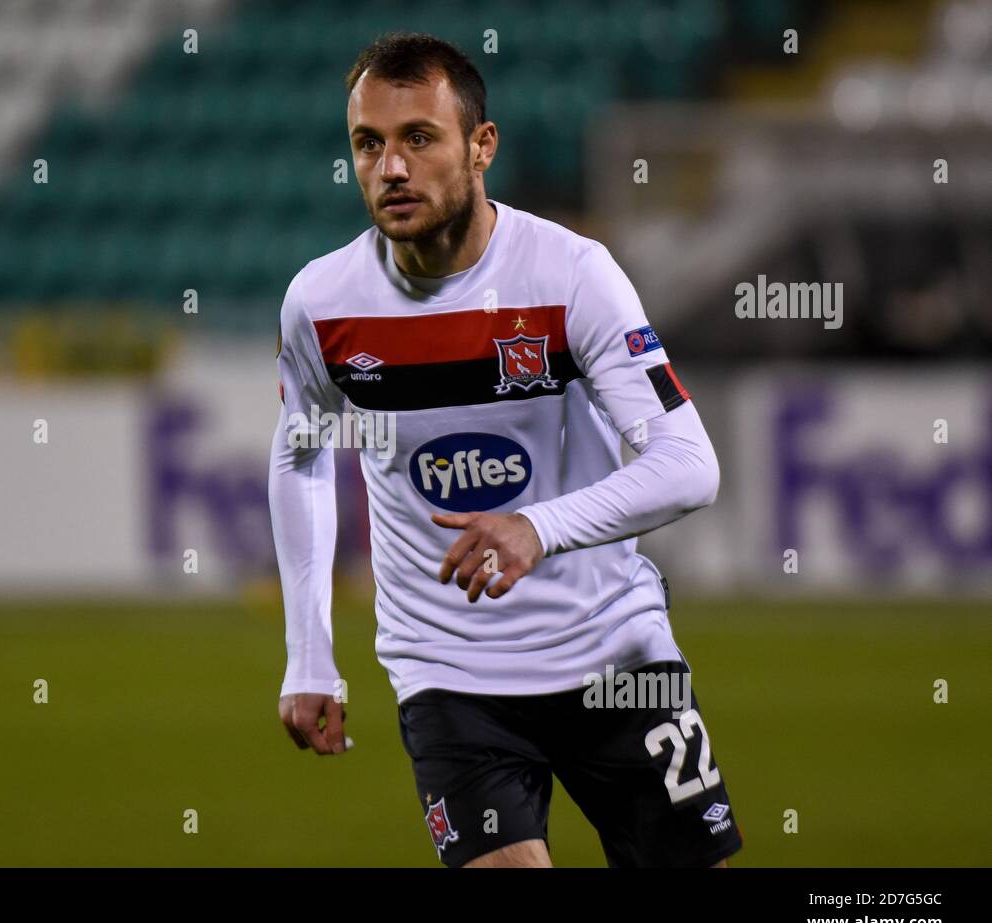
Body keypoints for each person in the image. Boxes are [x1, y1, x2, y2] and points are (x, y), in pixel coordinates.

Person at [269, 32, 741, 868]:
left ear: (482, 146)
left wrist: (537, 526)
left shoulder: (571, 276)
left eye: (420, 138)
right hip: (449, 674)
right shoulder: (323, 304)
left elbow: (690, 464)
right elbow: (300, 454)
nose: (391, 168)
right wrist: (310, 653)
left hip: (614, 654)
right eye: (368, 144)